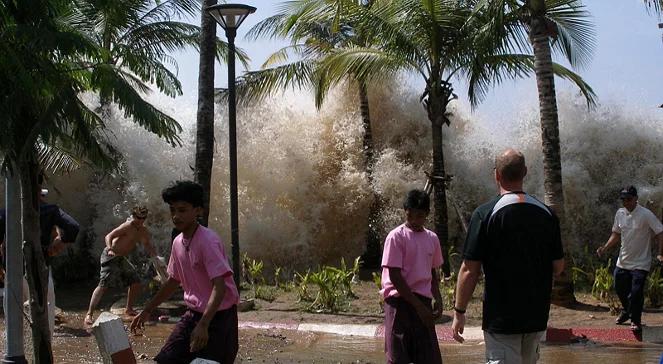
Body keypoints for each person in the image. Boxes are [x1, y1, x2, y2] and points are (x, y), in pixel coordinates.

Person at [452, 148, 564, 364]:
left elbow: (469, 269)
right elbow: (558, 266)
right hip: (536, 316)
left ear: (496, 175)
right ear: (525, 172)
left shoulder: (485, 214)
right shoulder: (546, 214)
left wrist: (459, 312)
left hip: (501, 317)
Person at [130, 181, 240, 363]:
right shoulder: (178, 242)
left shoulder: (208, 241)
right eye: (173, 210)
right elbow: (173, 280)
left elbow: (219, 288)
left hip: (219, 318)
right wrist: (147, 310)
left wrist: (204, 324)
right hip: (193, 314)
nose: (176, 216)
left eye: (182, 210)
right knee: (165, 360)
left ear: (198, 211)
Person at [0, 179, 80, 335]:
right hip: (39, 266)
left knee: (14, 309)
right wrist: (59, 243)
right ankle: (44, 346)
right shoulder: (50, 210)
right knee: (45, 307)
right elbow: (73, 227)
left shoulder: (6, 212)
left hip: (13, 267)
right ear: (38, 193)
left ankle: (16, 348)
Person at [380, 189, 444, 364]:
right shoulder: (396, 237)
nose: (415, 220)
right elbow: (395, 275)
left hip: (422, 300)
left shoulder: (432, 238)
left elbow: (432, 271)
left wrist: (437, 297)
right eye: (411, 215)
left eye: (420, 216)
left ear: (427, 214)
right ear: (405, 211)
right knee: (398, 354)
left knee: (429, 356)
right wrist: (417, 306)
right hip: (399, 302)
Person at [596, 185, 663, 333]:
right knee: (620, 288)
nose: (626, 202)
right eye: (623, 200)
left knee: (636, 292)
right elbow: (616, 233)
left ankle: (635, 321)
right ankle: (627, 311)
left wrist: (660, 253)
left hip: (641, 262)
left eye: (629, 199)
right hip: (623, 261)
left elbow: (660, 232)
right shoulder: (620, 213)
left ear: (636, 199)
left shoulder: (646, 214)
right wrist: (605, 247)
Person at [84, 205, 157, 326]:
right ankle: (89, 314)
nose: (140, 220)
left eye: (143, 218)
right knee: (103, 285)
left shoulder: (143, 230)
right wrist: (109, 248)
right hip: (111, 255)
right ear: (133, 216)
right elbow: (109, 236)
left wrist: (155, 257)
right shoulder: (127, 225)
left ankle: (128, 308)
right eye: (138, 217)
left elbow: (147, 244)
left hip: (122, 258)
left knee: (135, 282)